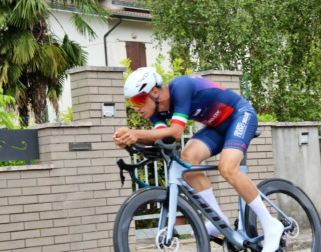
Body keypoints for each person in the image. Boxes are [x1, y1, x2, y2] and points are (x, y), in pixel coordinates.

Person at [113, 67, 284, 252]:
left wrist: (135, 133)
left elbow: (176, 132)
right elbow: (162, 137)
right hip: (217, 127)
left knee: (226, 167)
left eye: (139, 99)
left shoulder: (181, 86)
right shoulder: (156, 113)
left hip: (240, 115)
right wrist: (129, 140)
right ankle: (218, 219)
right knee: (188, 158)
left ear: (155, 92)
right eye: (132, 101)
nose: (136, 107)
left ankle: (271, 225)